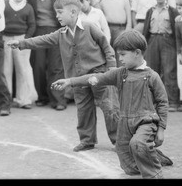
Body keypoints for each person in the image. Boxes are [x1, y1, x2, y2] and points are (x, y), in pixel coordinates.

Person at [51, 29, 168, 179]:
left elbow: (162, 103)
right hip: (124, 122)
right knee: (129, 166)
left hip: (145, 122)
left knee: (137, 144)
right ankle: (152, 156)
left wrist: (161, 129)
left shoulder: (152, 76)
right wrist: (70, 81)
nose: (119, 58)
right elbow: (95, 77)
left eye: (123, 54)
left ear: (137, 52)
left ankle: (155, 174)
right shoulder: (120, 73)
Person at [7, 0, 119, 152]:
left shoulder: (90, 27)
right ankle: (87, 140)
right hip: (77, 79)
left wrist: (112, 68)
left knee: (110, 108)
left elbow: (107, 47)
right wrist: (21, 43)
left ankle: (119, 141)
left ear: (73, 12)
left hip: (99, 75)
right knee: (83, 109)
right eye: (56, 12)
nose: (57, 16)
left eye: (60, 12)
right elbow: (42, 40)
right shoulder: (61, 33)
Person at [25, 0, 67, 110]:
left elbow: (64, 9)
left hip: (55, 30)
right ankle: (42, 97)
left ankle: (58, 100)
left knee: (56, 66)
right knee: (38, 66)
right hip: (37, 32)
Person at [143, 0, 180, 112]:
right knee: (153, 72)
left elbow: (177, 30)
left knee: (169, 71)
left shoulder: (173, 11)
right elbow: (146, 29)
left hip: (167, 41)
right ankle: (153, 102)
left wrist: (178, 47)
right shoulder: (150, 11)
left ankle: (173, 101)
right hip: (153, 40)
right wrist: (144, 46)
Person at [3, 0, 37, 109]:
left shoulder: (28, 7)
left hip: (21, 39)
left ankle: (24, 100)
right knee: (6, 69)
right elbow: (0, 20)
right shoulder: (5, 4)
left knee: (23, 69)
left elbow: (32, 25)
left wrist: (25, 40)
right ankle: (6, 99)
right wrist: (1, 37)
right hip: (6, 38)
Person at [100, 0, 132, 66]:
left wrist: (128, 29)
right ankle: (112, 73)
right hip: (108, 29)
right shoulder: (103, 2)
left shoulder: (124, 0)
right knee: (110, 52)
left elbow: (129, 16)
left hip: (121, 29)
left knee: (121, 51)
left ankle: (122, 73)